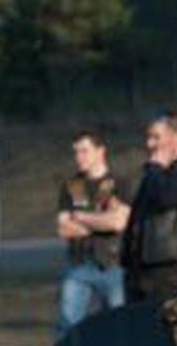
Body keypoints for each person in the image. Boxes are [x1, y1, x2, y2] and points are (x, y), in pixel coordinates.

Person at [122, 112, 177, 304]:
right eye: (148, 137)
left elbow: (165, 198)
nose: (149, 144)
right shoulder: (153, 177)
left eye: (156, 137)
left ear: (176, 138)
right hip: (142, 272)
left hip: (172, 272)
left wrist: (155, 169)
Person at [55, 127, 129, 334]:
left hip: (112, 265)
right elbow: (64, 229)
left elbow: (118, 223)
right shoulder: (73, 185)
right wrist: (100, 220)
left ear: (100, 151)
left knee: (119, 324)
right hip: (79, 264)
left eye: (84, 151)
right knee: (68, 325)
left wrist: (81, 217)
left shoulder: (115, 183)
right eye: (76, 152)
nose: (79, 157)